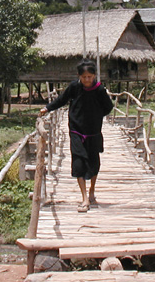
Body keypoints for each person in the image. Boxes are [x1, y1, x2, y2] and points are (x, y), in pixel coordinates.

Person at [39, 59, 113, 212]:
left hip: (93, 132)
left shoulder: (99, 90)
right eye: (84, 77)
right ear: (79, 76)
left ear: (94, 76)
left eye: (90, 77)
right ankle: (84, 198)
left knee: (94, 164)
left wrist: (96, 115)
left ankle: (92, 191)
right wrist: (48, 108)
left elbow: (108, 107)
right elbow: (62, 100)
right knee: (78, 163)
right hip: (76, 131)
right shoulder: (74, 87)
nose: (87, 80)